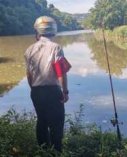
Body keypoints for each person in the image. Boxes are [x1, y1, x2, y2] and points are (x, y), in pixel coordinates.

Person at [24, 16, 71, 152]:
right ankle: (57, 152)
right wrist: (65, 92)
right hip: (52, 91)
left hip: (36, 91)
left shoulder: (29, 50)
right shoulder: (56, 48)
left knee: (42, 121)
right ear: (54, 31)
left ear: (37, 32)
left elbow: (29, 75)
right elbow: (61, 72)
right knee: (56, 124)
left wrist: (34, 90)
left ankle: (43, 151)